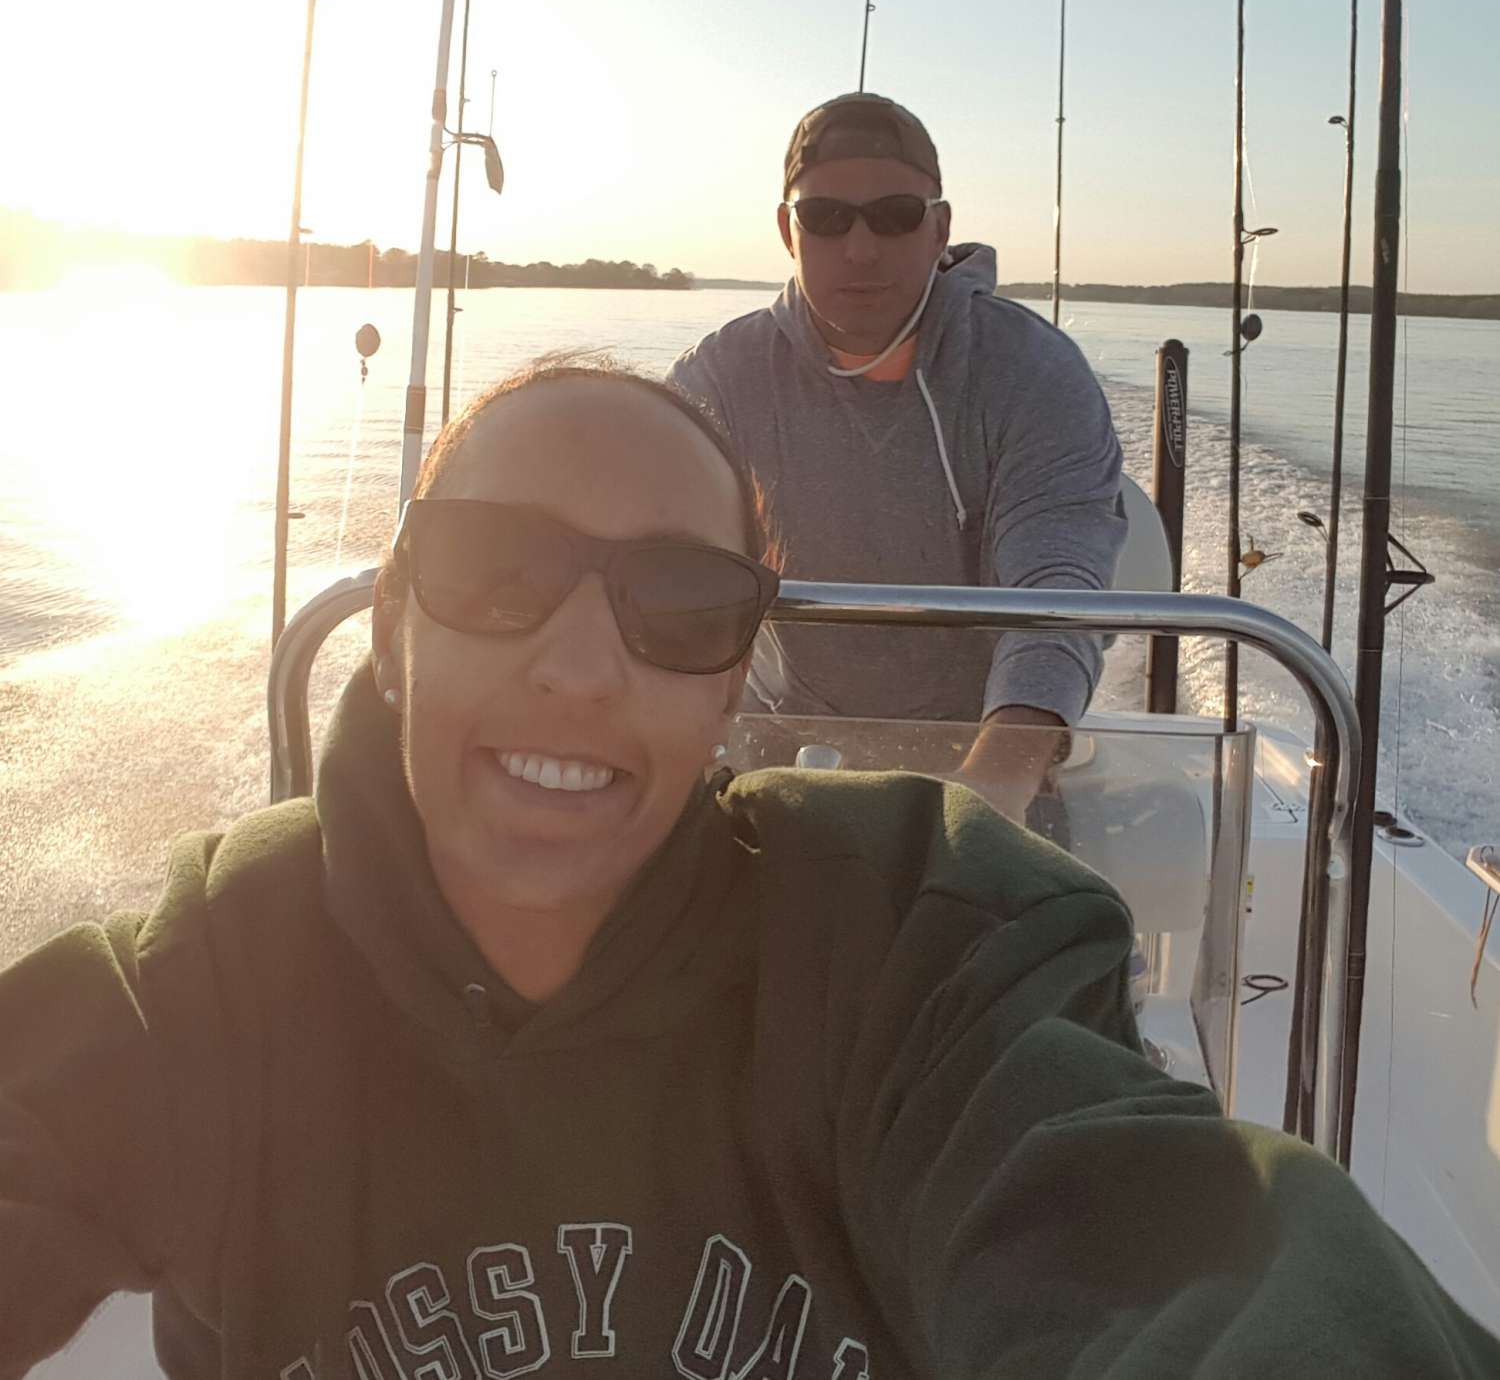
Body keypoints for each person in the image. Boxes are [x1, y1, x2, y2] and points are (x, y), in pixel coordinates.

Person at [3, 358, 1497, 1379]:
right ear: (392, 629)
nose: (580, 663)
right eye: (495, 571)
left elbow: (1172, 1252)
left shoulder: (912, 942)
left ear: (734, 692)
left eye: (681, 602)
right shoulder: (216, 980)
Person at [669, 92, 1127, 823]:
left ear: (939, 227)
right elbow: (660, 563)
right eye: (825, 218)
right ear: (789, 230)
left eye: (894, 215)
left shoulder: (1034, 372)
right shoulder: (722, 377)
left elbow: (1058, 588)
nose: (859, 247)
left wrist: (994, 787)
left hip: (988, 754)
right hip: (775, 749)